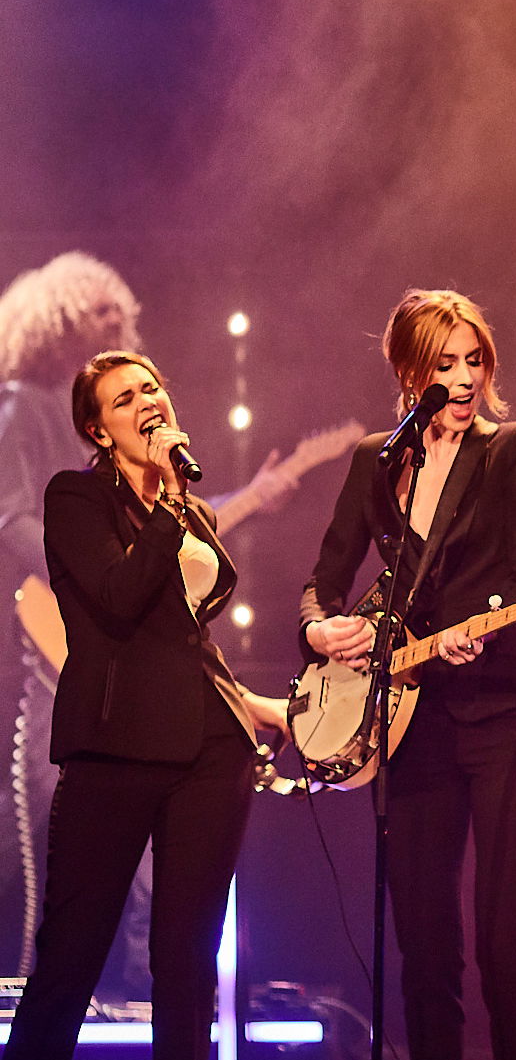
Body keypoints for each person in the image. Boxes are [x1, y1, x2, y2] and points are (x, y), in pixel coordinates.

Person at [0, 351, 287, 1060]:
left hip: (207, 748)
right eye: (126, 398)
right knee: (72, 950)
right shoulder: (74, 497)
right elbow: (119, 602)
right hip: (115, 746)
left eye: (153, 387)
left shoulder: (188, 511)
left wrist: (252, 705)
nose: (147, 402)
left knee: (187, 950)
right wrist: (165, 505)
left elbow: (186, 640)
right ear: (98, 427)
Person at [299, 290, 516, 1060]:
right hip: (415, 719)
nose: (460, 380)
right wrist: (317, 629)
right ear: (409, 374)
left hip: (510, 709)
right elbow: (324, 579)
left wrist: (464, 636)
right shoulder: (376, 462)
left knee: (503, 935)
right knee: (424, 936)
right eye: (441, 365)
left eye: (472, 361)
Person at [0, 253, 298, 986]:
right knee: (67, 888)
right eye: (95, 313)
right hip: (71, 646)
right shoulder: (26, 411)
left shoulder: (163, 486)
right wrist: (79, 579)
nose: (111, 321)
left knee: (165, 916)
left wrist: (251, 496)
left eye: (149, 385)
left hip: (176, 713)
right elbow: (19, 519)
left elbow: (179, 585)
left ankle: (140, 1018)